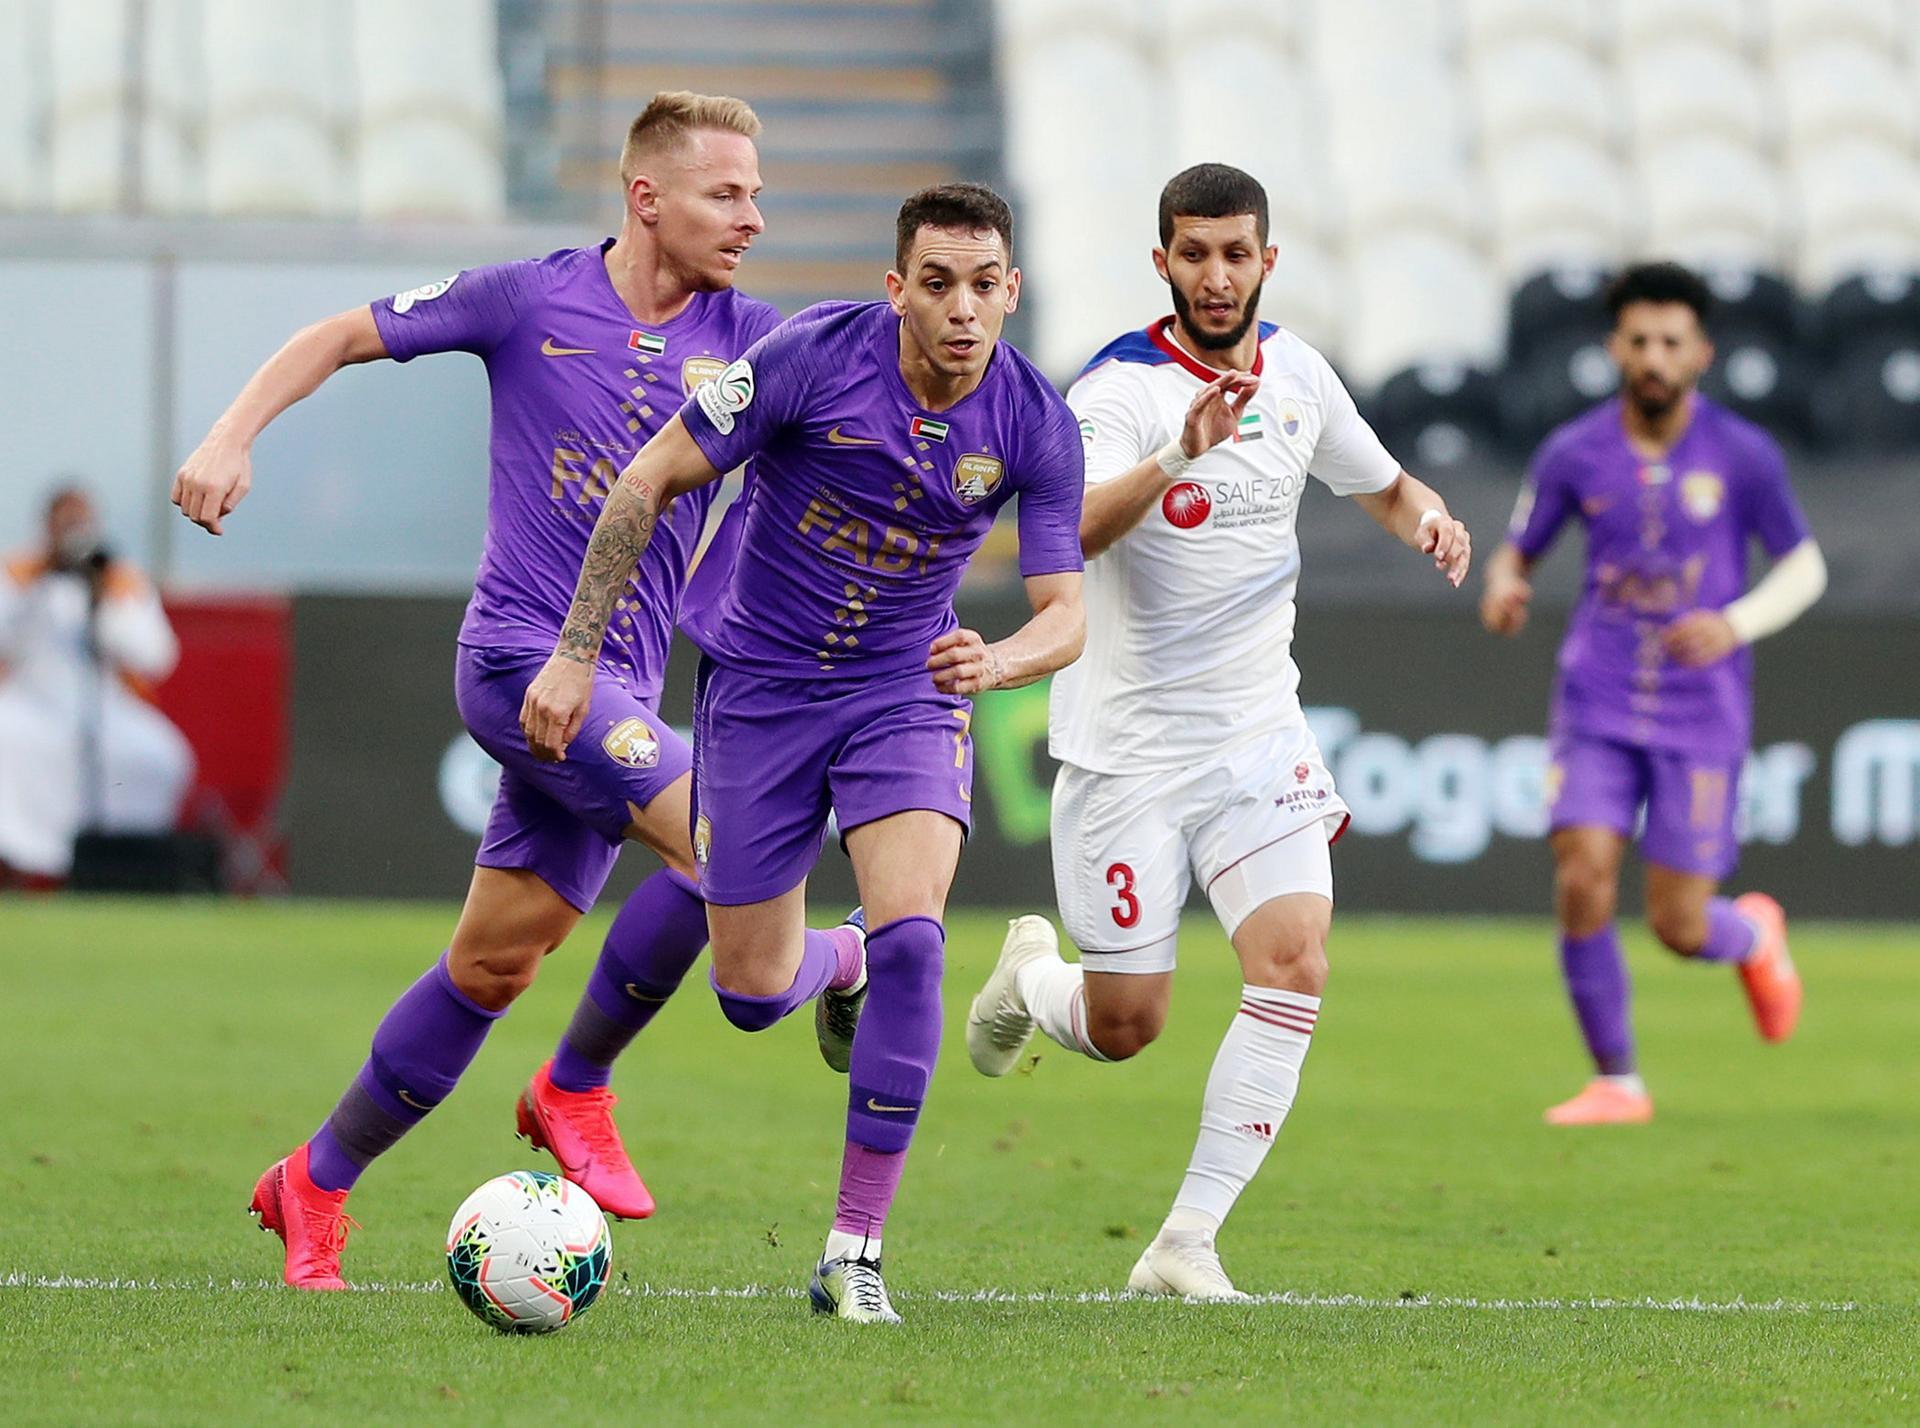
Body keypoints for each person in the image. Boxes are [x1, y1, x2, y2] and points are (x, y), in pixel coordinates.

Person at [171, 91, 856, 1290]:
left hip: (622, 690)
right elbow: (338, 334)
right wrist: (232, 436)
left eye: (756, 192)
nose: (755, 216)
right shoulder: (530, 298)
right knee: (725, 844)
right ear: (647, 198)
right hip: (518, 663)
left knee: (491, 968)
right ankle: (575, 1089)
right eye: (726, 193)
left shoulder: (761, 344)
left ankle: (313, 1184)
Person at [520, 182, 1088, 1322]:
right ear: (897, 289)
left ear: (1012, 290)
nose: (963, 309)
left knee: (919, 937)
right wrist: (576, 654)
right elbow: (650, 477)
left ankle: (854, 1253)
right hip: (763, 691)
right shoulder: (808, 358)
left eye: (984, 286)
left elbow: (1067, 608)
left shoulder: (1034, 419)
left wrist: (1005, 663)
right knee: (749, 990)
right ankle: (843, 965)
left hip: (906, 690)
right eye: (937, 284)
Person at [957, 163, 1474, 1301]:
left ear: (1267, 261)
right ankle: (1033, 979)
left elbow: (1381, 484)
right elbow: (1068, 533)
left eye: (1237, 253)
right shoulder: (1116, 392)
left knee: (1293, 962)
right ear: (1163, 264)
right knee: (1126, 1022)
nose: (1218, 274)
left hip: (1255, 734)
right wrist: (1180, 454)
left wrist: (1429, 517)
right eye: (1195, 253)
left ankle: (1186, 1241)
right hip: (1129, 755)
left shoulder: (1297, 373)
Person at [1480, 261, 1823, 1127]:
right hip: (1597, 694)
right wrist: (1505, 584)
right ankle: (1618, 1083)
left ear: (1701, 351)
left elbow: (1805, 566)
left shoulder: (1744, 454)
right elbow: (1520, 547)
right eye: (1639, 341)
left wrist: (1737, 622)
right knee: (1583, 873)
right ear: (1614, 349)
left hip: (1701, 709)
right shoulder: (1574, 450)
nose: (1655, 358)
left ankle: (1753, 934)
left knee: (1679, 926)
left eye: (1672, 341)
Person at [0, 484, 194, 881]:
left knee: (161, 754)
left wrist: (110, 597)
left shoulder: (118, 581)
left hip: (105, 708)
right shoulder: (20, 573)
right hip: (32, 702)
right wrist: (29, 580)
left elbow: (155, 657)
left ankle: (123, 865)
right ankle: (22, 863)